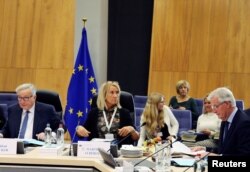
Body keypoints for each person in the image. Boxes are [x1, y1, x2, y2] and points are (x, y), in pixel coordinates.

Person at [76, 81, 139, 146]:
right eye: (112, 92)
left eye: (117, 93)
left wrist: (132, 130)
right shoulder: (93, 113)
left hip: (118, 151)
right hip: (97, 150)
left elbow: (136, 137)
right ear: (104, 95)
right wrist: (79, 129)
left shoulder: (124, 113)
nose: (115, 95)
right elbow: (83, 132)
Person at [192, 87, 250, 156]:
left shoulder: (244, 123)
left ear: (227, 104)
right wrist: (204, 149)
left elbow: (244, 157)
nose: (214, 111)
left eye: (216, 106)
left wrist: (218, 157)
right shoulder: (225, 119)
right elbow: (223, 150)